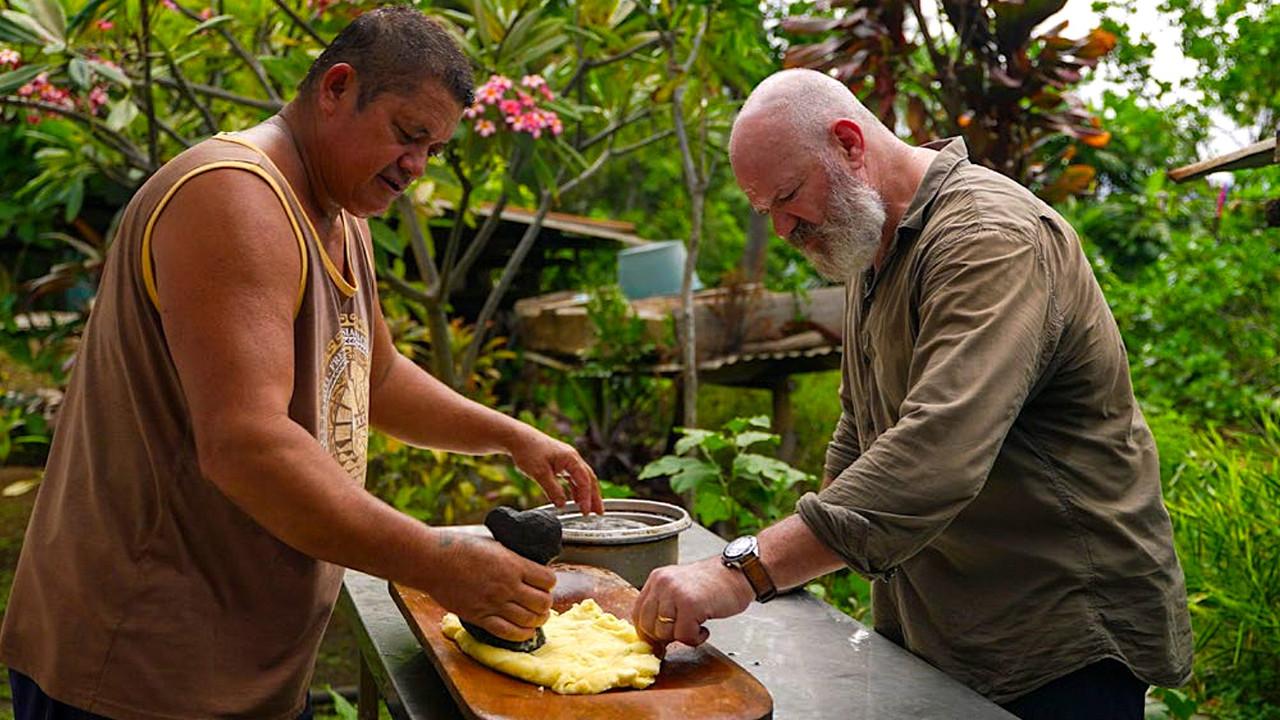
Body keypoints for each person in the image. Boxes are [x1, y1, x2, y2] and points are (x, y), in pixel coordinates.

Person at [0, 8, 602, 719]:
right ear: (336, 87)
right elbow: (246, 446)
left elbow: (373, 375)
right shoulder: (234, 196)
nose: (415, 167)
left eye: (433, 151)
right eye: (408, 136)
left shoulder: (340, 215)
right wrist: (438, 562)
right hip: (141, 667)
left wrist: (511, 434)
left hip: (247, 664)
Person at [632, 68, 1192, 720]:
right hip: (950, 629)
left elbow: (938, 449)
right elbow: (859, 425)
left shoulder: (988, 239)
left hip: (1058, 639)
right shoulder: (870, 245)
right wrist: (793, 571)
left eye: (788, 197)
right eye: (767, 213)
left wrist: (745, 569)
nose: (784, 229)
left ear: (849, 144)